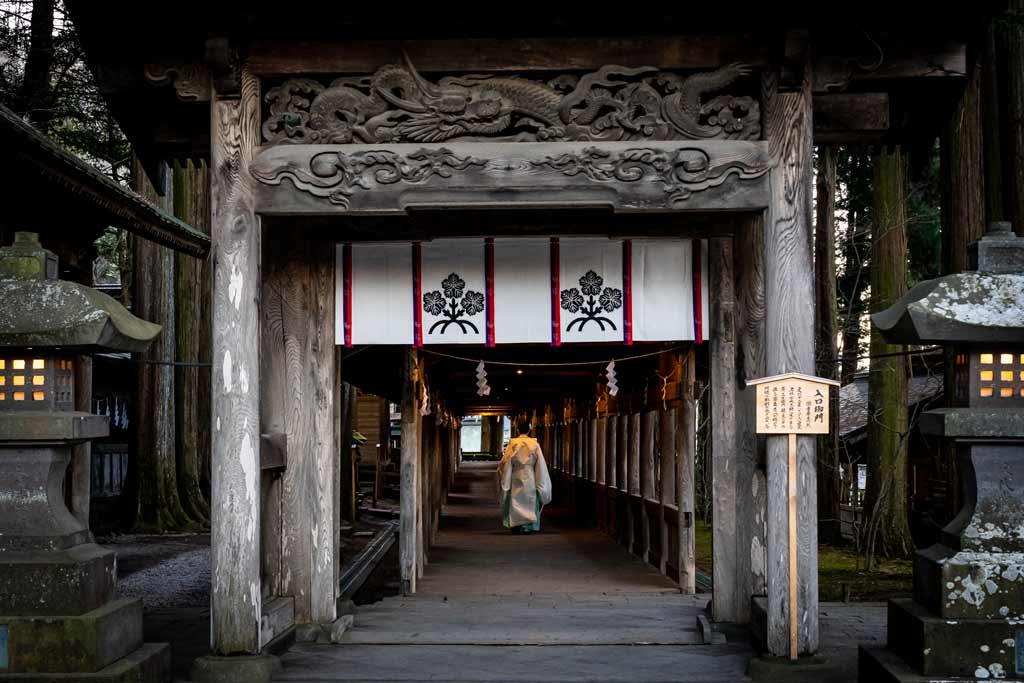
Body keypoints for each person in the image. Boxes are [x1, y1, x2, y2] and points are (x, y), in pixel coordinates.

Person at [496, 419, 552, 533]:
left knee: (515, 500)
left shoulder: (512, 444)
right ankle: (529, 526)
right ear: (530, 430)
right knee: (530, 501)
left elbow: (504, 463)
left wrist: (504, 475)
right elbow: (540, 464)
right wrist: (540, 482)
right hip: (530, 475)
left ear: (517, 430)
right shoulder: (535, 444)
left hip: (515, 475)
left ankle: (516, 526)